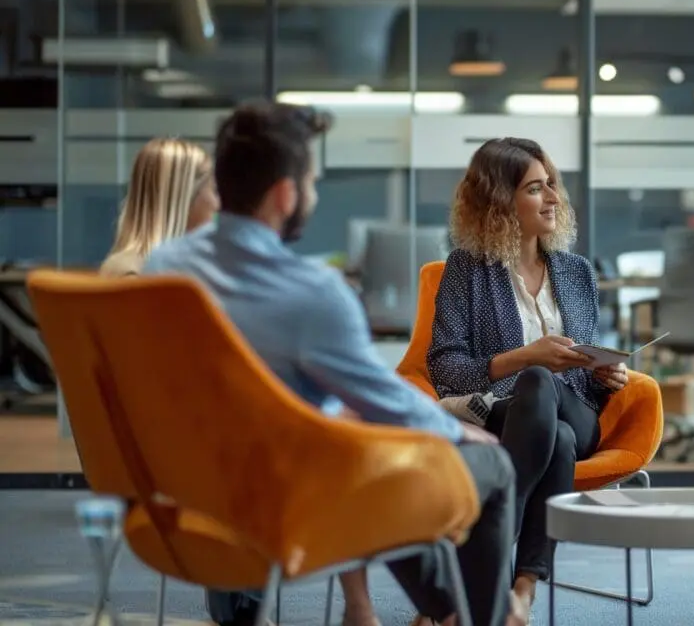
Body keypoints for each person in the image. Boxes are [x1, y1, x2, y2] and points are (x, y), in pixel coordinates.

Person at [143, 101, 518, 626]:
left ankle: (449, 611)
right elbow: (390, 405)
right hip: (290, 509)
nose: (313, 195)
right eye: (313, 182)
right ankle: (476, 616)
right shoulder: (312, 293)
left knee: (370, 445)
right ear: (286, 195)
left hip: (180, 493)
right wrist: (459, 433)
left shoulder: (163, 268)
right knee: (493, 465)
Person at [429, 137, 628, 621]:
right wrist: (522, 358)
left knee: (547, 394)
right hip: (509, 419)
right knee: (552, 436)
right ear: (500, 203)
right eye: (536, 189)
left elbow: (585, 366)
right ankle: (522, 591)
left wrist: (607, 373)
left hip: (578, 412)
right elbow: (445, 368)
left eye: (552, 186)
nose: (554, 199)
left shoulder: (577, 272)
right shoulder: (466, 271)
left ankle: (482, 550)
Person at [100, 137, 219, 277]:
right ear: (184, 198)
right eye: (215, 191)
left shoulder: (181, 270)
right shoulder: (133, 275)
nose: (219, 204)